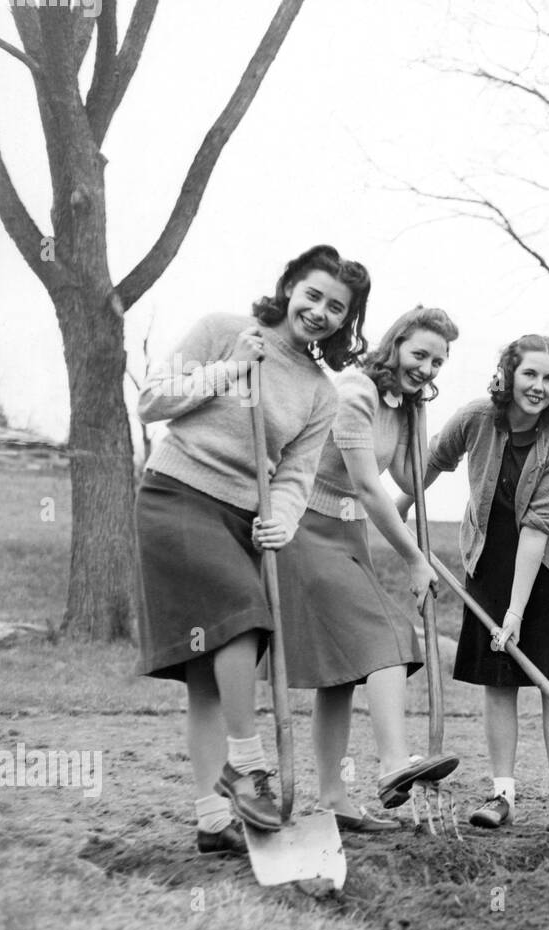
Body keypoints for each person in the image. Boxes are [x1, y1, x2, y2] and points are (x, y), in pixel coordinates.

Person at [134, 244, 370, 854]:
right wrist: (231, 370)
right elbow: (152, 401)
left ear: (346, 321)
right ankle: (247, 766)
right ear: (289, 285)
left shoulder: (321, 393)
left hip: (244, 519)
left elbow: (294, 475)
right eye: (312, 294)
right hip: (178, 495)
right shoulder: (224, 331)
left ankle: (213, 820)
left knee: (209, 679)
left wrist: (284, 520)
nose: (319, 311)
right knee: (245, 620)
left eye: (336, 307)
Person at [274, 307, 462, 832]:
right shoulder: (355, 390)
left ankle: (333, 798)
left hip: (347, 533)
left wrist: (445, 440)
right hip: (305, 526)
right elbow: (365, 484)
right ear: (396, 343)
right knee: (387, 634)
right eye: (419, 354)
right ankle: (392, 765)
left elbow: (405, 475)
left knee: (341, 674)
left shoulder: (401, 405)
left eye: (437, 362)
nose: (427, 368)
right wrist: (414, 558)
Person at [411, 335, 549, 835]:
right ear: (509, 373)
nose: (538, 386)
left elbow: (536, 532)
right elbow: (432, 458)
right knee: (499, 681)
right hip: (488, 562)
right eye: (530, 373)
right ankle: (502, 796)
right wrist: (400, 508)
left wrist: (514, 613)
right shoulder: (476, 418)